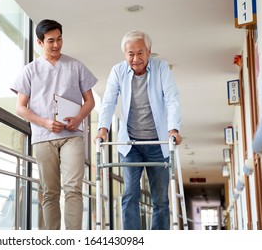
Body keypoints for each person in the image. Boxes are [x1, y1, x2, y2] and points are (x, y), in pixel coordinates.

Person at [10, 19, 97, 230]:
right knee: (50, 191)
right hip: (43, 136)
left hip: (72, 135)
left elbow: (90, 101)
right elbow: (20, 107)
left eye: (59, 39)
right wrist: (45, 122)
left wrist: (78, 118)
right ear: (40, 43)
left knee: (73, 188)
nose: (56, 45)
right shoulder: (29, 71)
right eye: (51, 41)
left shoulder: (75, 66)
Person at [96, 30, 182, 230]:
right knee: (129, 195)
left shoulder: (161, 69)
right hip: (130, 144)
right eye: (130, 54)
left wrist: (173, 129)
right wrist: (102, 129)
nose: (136, 59)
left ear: (149, 51)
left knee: (160, 199)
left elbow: (172, 99)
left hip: (158, 143)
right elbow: (108, 101)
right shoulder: (117, 71)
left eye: (140, 53)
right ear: (125, 55)